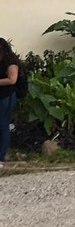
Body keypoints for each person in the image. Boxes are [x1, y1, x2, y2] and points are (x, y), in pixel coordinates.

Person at [0, 38, 22, 169]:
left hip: (6, 97)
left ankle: (1, 158)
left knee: (3, 126)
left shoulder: (11, 61)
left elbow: (12, 79)